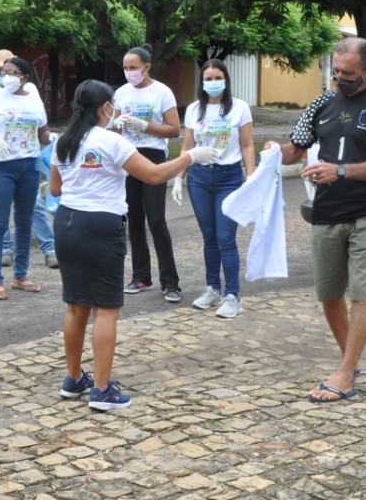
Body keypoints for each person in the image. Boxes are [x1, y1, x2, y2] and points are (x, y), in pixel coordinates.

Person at [50, 80, 220, 410]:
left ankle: (74, 379)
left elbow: (55, 189)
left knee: (75, 305)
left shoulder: (63, 142)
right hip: (100, 225)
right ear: (104, 108)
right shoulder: (112, 142)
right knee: (105, 310)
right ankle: (101, 390)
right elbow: (154, 175)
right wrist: (189, 156)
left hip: (67, 222)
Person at [270, 37, 366, 403]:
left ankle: (345, 373)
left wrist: (340, 171)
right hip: (327, 211)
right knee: (329, 294)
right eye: (335, 71)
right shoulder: (322, 103)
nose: (339, 78)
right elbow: (294, 150)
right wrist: (269, 152)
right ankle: (351, 362)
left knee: (363, 294)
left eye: (348, 73)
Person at [174, 59, 256, 318]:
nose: (212, 83)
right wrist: (179, 177)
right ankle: (213, 289)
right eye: (207, 79)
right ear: (202, 82)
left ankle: (233, 295)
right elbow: (187, 147)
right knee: (209, 238)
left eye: (217, 77)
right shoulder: (194, 110)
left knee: (225, 238)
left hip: (228, 177)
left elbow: (247, 145)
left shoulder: (239, 108)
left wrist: (251, 176)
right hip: (199, 177)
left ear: (226, 79)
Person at [0, 49, 58, 269]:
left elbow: (42, 130)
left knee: (28, 216)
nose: (5, 76)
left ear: (25, 77)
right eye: (2, 71)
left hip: (29, 165)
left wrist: (51, 138)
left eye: (11, 72)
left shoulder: (33, 97)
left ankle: (25, 271)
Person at [113, 44, 183, 302]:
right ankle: (141, 276)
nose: (129, 72)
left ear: (146, 67)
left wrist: (146, 126)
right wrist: (117, 124)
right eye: (125, 68)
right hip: (128, 156)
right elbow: (114, 129)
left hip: (153, 156)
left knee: (156, 219)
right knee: (134, 218)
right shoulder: (121, 93)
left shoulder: (161, 92)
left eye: (133, 67)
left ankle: (171, 282)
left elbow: (174, 129)